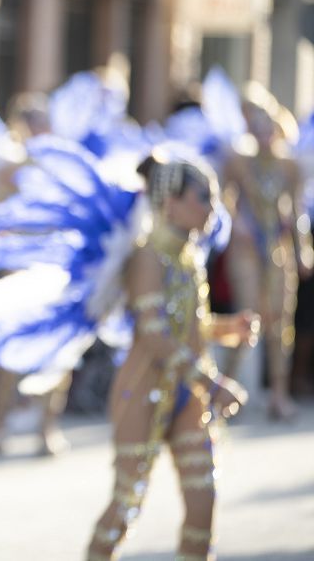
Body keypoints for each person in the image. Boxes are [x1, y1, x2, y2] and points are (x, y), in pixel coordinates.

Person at [86, 153, 257, 561]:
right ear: (171, 202)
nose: (212, 207)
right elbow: (155, 334)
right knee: (125, 506)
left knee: (203, 503)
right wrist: (211, 382)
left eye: (214, 197)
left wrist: (225, 328)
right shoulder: (147, 258)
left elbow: (188, 324)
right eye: (202, 196)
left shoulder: (190, 257)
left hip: (187, 399)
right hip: (143, 393)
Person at [222, 84, 312, 420]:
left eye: (267, 128)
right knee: (246, 318)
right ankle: (227, 388)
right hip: (246, 250)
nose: (262, 134)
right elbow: (225, 201)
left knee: (279, 323)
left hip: (278, 250)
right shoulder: (237, 161)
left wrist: (303, 250)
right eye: (256, 128)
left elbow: (297, 210)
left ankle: (278, 393)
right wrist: (237, 223)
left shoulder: (290, 166)